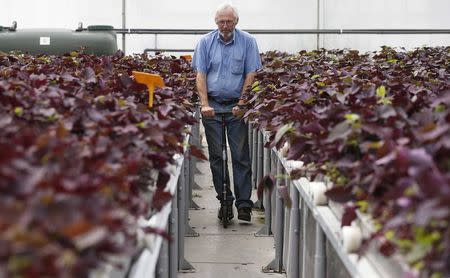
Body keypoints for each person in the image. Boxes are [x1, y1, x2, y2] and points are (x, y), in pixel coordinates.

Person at [192, 2, 262, 222]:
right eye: (221, 21)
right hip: (212, 105)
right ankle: (225, 200)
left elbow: (251, 73)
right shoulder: (205, 42)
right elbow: (200, 75)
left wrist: (242, 103)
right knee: (217, 157)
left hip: (235, 107)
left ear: (236, 22)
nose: (224, 25)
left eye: (228, 21)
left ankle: (243, 205)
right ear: (216, 22)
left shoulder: (248, 42)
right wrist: (204, 104)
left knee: (240, 156)